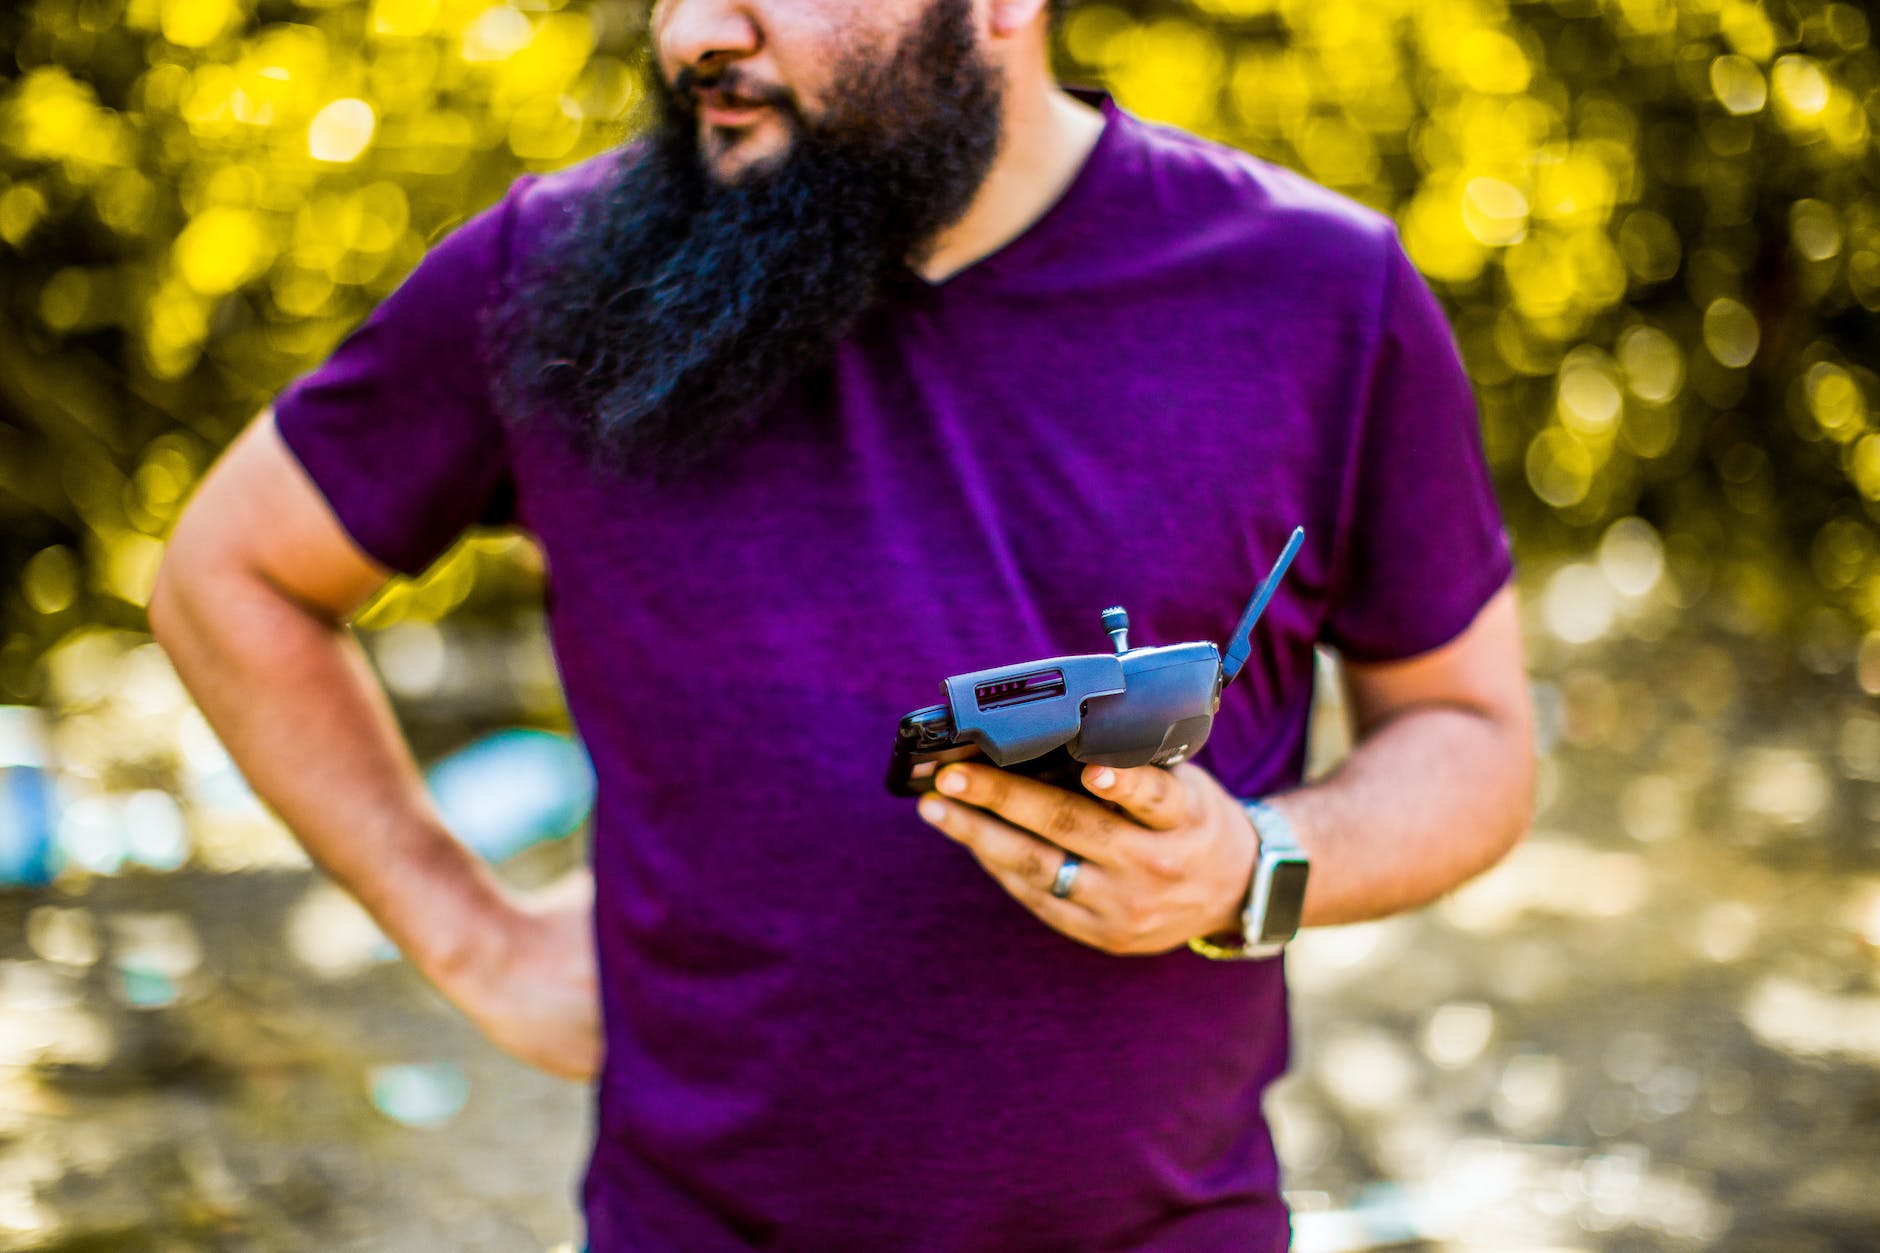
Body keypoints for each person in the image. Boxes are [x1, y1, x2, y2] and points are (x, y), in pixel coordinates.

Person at [149, 0, 1536, 1248]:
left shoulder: (1319, 293)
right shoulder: (555, 268)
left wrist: (1253, 865)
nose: (691, 29)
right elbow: (230, 576)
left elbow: (1471, 735)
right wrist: (471, 937)